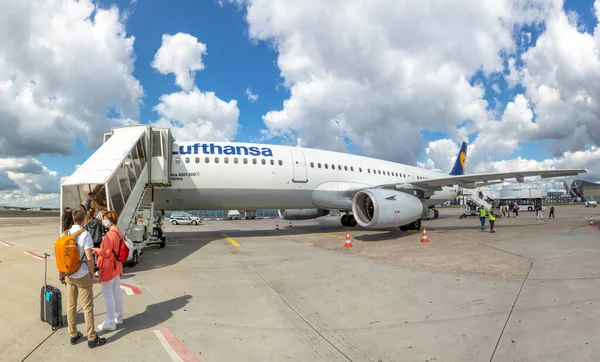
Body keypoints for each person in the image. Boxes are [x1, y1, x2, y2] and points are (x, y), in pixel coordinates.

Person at [64, 209, 106, 348]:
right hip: (82, 275)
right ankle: (92, 338)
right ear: (84, 220)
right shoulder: (85, 234)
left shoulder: (66, 233)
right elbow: (89, 257)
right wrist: (91, 272)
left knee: (71, 306)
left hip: (69, 275)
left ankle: (73, 335)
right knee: (87, 307)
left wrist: (61, 273)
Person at [92, 211, 124, 331]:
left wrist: (96, 250)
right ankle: (118, 317)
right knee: (116, 291)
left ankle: (110, 322)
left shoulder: (110, 235)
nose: (103, 221)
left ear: (110, 220)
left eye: (105, 219)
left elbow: (107, 252)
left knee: (107, 293)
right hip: (116, 265)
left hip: (109, 265)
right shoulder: (118, 231)